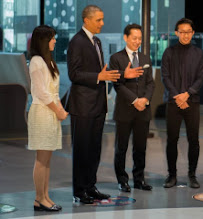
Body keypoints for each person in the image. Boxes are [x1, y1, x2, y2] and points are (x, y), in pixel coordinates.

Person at [67, 5, 143, 204]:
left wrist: (122, 75)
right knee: (82, 150)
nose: (102, 23)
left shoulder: (97, 41)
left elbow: (104, 73)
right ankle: (79, 191)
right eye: (99, 20)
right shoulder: (77, 41)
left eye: (102, 19)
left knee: (94, 150)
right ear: (87, 20)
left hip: (98, 105)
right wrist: (98, 76)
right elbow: (73, 74)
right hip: (83, 106)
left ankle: (91, 187)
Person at [109, 23, 155, 192]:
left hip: (143, 110)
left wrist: (145, 100)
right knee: (121, 148)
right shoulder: (116, 58)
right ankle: (122, 180)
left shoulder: (145, 58)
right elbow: (117, 85)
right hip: (125, 110)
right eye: (134, 38)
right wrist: (135, 100)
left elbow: (150, 83)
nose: (137, 41)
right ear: (126, 38)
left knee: (140, 147)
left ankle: (139, 179)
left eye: (140, 39)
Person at [161, 18, 203, 189]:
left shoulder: (198, 53)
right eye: (182, 31)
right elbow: (165, 77)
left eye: (188, 31)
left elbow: (200, 77)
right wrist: (177, 96)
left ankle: (192, 175)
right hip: (173, 103)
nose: (185, 35)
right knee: (172, 140)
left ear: (192, 33)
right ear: (176, 33)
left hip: (192, 102)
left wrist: (187, 94)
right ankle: (171, 175)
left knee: (194, 141)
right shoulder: (168, 52)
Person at [28, 25, 68, 211]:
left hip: (51, 112)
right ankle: (39, 198)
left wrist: (60, 110)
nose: (55, 41)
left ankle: (45, 196)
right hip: (42, 112)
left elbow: (54, 92)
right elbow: (41, 92)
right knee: (41, 158)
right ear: (44, 40)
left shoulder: (49, 62)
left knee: (47, 158)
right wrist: (56, 110)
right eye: (52, 38)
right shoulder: (36, 61)